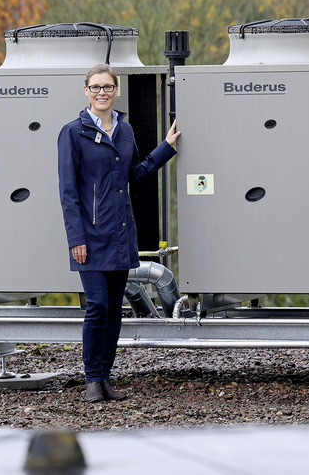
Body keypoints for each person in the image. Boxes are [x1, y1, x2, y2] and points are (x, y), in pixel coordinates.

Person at [58, 63, 181, 403]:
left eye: (108, 87)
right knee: (96, 306)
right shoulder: (73, 132)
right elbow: (68, 192)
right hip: (90, 237)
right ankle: (92, 379)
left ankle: (105, 378)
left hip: (120, 234)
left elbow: (137, 174)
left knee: (114, 309)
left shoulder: (124, 131)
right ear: (86, 91)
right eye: (96, 87)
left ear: (117, 90)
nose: (102, 92)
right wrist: (76, 239)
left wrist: (165, 148)